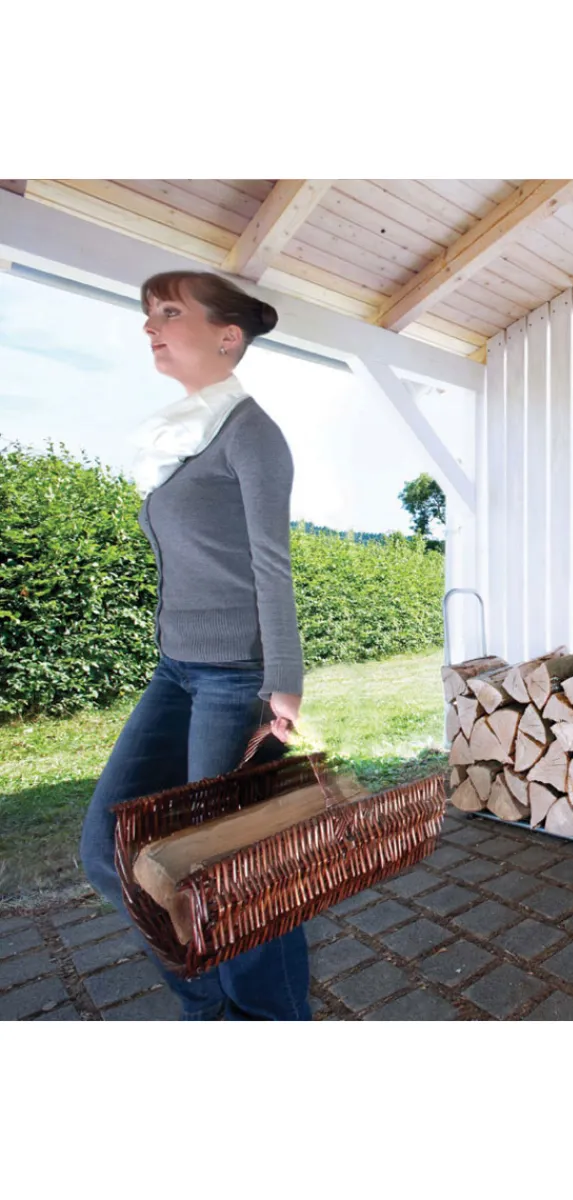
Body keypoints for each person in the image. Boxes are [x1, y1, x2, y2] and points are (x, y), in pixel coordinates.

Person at [79, 270, 311, 1020]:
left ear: (226, 336)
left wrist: (282, 682)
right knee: (107, 851)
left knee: (237, 871)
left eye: (170, 312)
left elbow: (272, 564)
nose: (151, 327)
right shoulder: (179, 438)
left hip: (237, 679)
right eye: (149, 314)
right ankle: (210, 1005)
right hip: (176, 673)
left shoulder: (251, 434)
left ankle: (268, 1019)